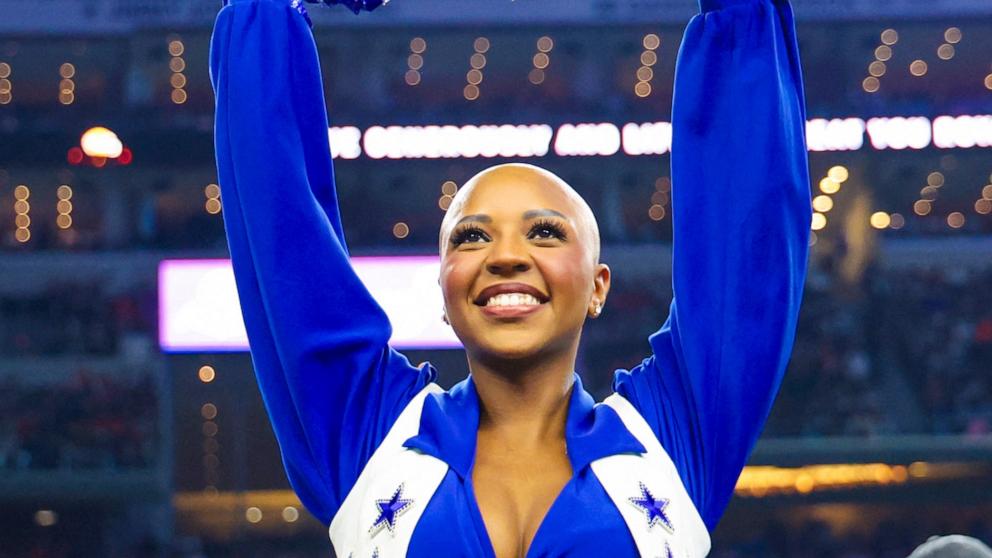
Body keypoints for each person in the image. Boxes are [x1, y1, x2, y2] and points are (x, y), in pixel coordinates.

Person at [209, 0, 810, 555]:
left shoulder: (676, 441)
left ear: (599, 285)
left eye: (545, 232)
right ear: (444, 294)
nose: (505, 256)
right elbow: (278, 227)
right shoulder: (368, 437)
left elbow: (747, 223)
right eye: (471, 237)